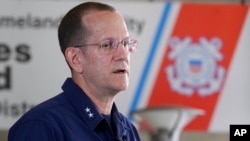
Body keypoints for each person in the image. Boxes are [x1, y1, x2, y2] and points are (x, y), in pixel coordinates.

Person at [8, 1, 140, 141]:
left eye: (125, 44)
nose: (123, 55)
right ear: (75, 59)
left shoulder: (129, 131)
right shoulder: (41, 126)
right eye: (107, 45)